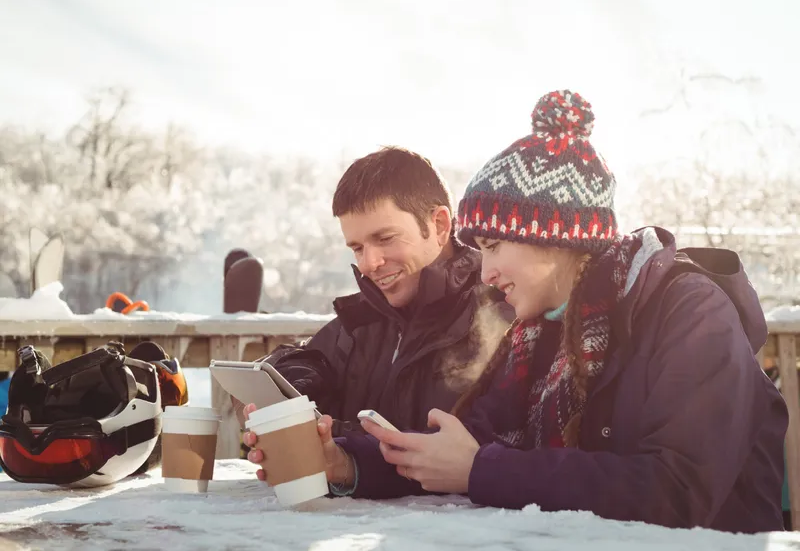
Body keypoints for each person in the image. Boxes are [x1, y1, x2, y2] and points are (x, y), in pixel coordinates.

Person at [248, 90, 789, 533]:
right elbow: (459, 451)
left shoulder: (688, 312)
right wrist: (346, 464)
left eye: (494, 248)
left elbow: (679, 491)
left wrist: (484, 471)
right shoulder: (540, 335)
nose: (484, 273)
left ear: (554, 239)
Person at [237, 146, 513, 444]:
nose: (369, 263)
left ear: (440, 225)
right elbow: (312, 356)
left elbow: (457, 448)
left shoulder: (503, 315)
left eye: (385, 238)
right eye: (357, 248)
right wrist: (289, 374)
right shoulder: (362, 320)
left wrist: (339, 447)